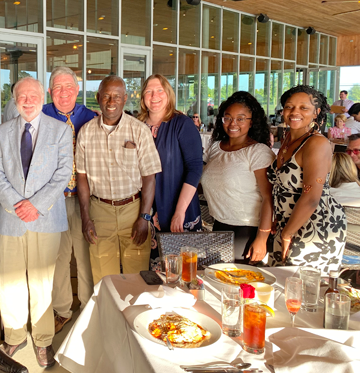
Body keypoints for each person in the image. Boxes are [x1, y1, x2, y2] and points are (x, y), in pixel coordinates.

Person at [0, 77, 73, 368]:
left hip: (46, 217)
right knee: (11, 281)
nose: (27, 100)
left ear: (42, 97)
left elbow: (63, 173)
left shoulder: (61, 130)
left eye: (32, 95)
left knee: (42, 283)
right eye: (21, 96)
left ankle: (43, 340)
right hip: (11, 218)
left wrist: (35, 205)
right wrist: (17, 205)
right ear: (14, 99)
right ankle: (14, 337)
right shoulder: (0, 132)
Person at [76, 75, 162, 284]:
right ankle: (108, 317)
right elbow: (82, 178)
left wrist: (144, 218)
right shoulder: (86, 132)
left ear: (125, 99)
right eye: (106, 96)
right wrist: (86, 217)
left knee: (137, 279)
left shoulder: (139, 130)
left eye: (116, 96)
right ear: (98, 98)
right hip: (99, 213)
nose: (111, 102)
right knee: (104, 281)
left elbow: (149, 178)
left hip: (133, 211)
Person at [266, 85, 346, 273]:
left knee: (300, 287)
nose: (294, 112)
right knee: (281, 282)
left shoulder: (317, 143)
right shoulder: (287, 139)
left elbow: (311, 197)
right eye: (289, 106)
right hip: (289, 221)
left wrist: (288, 233)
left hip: (315, 225)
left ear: (316, 112)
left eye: (304, 108)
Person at [42, 67, 96, 334]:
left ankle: (88, 308)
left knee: (85, 254)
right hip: (53, 200)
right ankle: (62, 309)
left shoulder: (92, 117)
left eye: (68, 86)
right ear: (50, 91)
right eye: (57, 87)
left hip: (86, 199)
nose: (63, 92)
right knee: (58, 257)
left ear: (77, 89)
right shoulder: (40, 115)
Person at [137, 74, 202, 270]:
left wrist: (180, 211)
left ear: (168, 94)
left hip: (177, 208)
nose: (154, 95)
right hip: (144, 211)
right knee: (149, 273)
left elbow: (195, 167)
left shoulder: (182, 124)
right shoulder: (135, 126)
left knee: (181, 273)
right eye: (149, 91)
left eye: (159, 90)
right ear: (143, 97)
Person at [200, 91, 275, 263]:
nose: (233, 123)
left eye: (241, 118)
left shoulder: (258, 152)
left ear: (252, 122)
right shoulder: (215, 148)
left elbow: (268, 197)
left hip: (248, 231)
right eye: (228, 118)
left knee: (239, 284)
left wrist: (262, 239)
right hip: (219, 226)